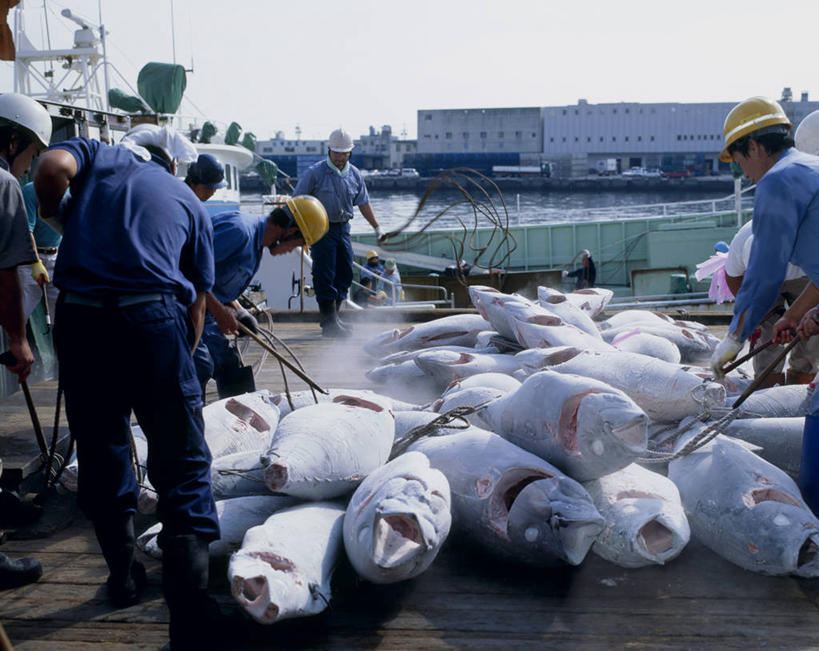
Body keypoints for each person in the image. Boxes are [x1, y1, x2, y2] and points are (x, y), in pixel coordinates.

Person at [34, 122, 225, 648]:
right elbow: (196, 310)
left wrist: (57, 217)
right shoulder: (189, 202)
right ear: (173, 165)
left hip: (81, 320)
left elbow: (50, 169)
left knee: (102, 450)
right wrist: (171, 379)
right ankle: (189, 619)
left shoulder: (99, 158)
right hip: (154, 320)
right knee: (183, 466)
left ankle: (121, 579)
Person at [707, 96, 819, 514]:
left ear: (753, 146)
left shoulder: (778, 179)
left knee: (814, 477)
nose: (744, 172)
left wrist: (734, 337)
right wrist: (794, 315)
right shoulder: (811, 169)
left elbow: (764, 274)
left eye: (738, 160)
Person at [194, 197, 328, 399]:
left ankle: (241, 423)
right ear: (290, 232)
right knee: (201, 365)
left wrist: (239, 310)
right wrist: (221, 312)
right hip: (181, 310)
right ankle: (187, 423)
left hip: (205, 314)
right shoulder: (238, 232)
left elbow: (217, 282)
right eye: (296, 245)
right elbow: (191, 272)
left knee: (229, 364)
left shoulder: (255, 246)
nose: (291, 250)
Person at [0, 92, 51, 591]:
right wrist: (18, 340)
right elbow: (6, 272)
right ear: (13, 140)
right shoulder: (4, 184)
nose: (29, 165)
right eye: (31, 154)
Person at [293, 127, 386, 337]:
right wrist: (300, 231)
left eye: (344, 153)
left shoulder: (354, 175)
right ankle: (328, 323)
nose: (340, 157)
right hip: (321, 229)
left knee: (344, 272)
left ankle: (335, 317)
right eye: (337, 153)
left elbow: (363, 203)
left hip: (344, 228)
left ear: (350, 153)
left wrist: (377, 228)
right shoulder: (314, 173)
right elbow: (297, 201)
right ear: (329, 150)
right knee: (324, 274)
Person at [723, 220, 819, 386]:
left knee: (810, 336)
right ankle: (766, 385)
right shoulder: (742, 242)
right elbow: (733, 277)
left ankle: (800, 383)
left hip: (808, 276)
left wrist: (801, 317)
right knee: (767, 333)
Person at [16, 182, 61, 320]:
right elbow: (26, 230)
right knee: (18, 315)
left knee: (62, 316)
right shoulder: (31, 190)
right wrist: (35, 262)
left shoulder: (74, 190)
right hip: (29, 259)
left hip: (58, 256)